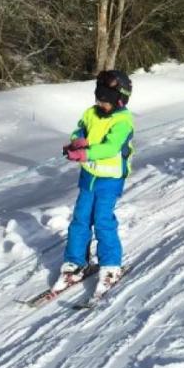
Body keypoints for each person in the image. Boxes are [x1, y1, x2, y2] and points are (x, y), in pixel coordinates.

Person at [59, 69, 134, 291]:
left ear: (119, 100)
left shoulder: (122, 121)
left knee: (102, 220)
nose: (101, 104)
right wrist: (78, 141)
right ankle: (75, 262)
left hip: (109, 180)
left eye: (106, 101)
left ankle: (111, 265)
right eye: (98, 99)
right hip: (89, 177)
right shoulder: (91, 113)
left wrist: (86, 153)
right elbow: (79, 129)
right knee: (80, 218)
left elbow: (111, 147)